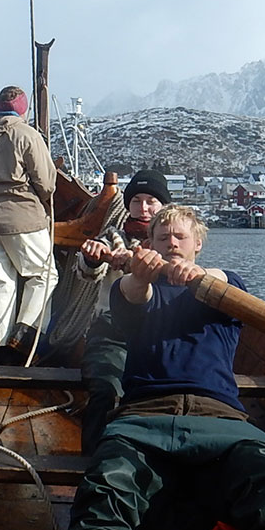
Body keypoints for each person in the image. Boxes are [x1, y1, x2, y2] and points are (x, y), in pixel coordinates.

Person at [54, 205, 265, 530]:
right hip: (143, 419)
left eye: (180, 237)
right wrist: (140, 274)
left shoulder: (225, 289)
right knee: (109, 485)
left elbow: (226, 280)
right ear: (149, 245)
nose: (171, 243)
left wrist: (199, 278)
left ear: (197, 244)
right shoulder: (137, 288)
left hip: (223, 420)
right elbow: (130, 296)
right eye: (162, 238)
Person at [74, 169, 171, 453]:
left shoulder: (171, 243)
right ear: (127, 206)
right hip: (111, 330)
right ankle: (94, 460)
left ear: (163, 206)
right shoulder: (113, 238)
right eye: (136, 201)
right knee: (107, 389)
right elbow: (87, 272)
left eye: (151, 202)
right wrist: (92, 258)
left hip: (160, 330)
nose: (143, 208)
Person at [0, 85, 57, 363]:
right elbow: (46, 181)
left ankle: (0, 349)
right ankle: (26, 337)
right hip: (22, 219)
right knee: (44, 275)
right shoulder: (26, 133)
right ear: (22, 108)